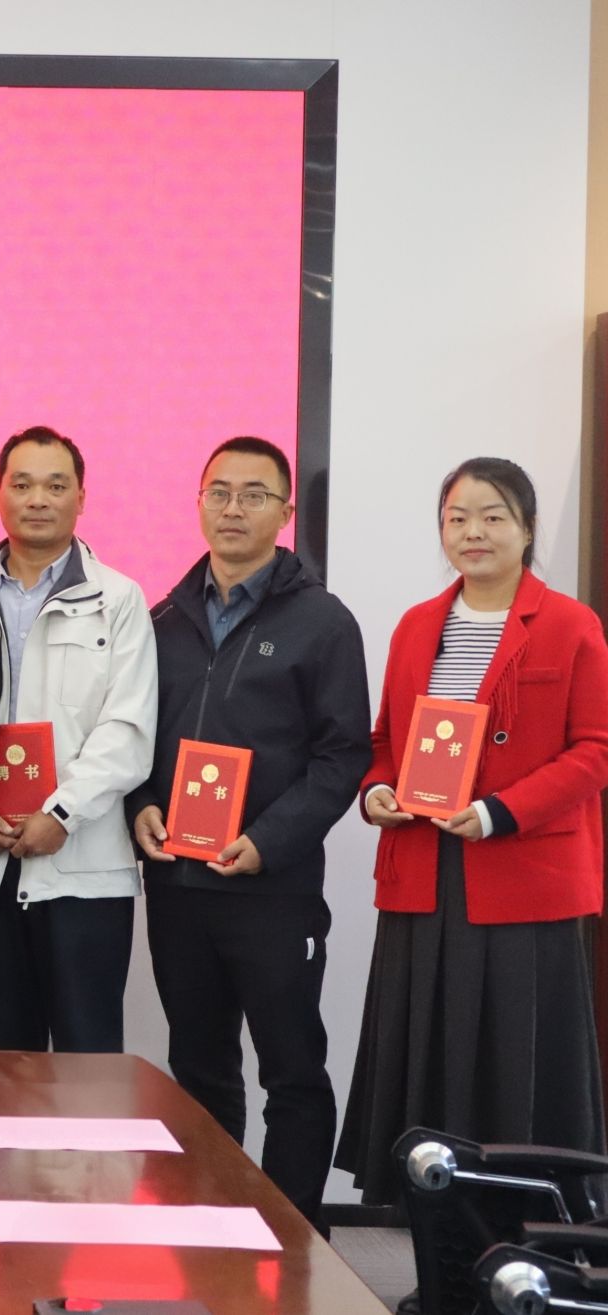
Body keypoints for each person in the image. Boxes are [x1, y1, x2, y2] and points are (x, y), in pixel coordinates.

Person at [337, 457, 608, 1206]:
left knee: (513, 1061)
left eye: (493, 517)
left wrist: (499, 811)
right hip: (424, 872)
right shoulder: (418, 624)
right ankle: (432, 1221)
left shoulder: (571, 624)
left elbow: (595, 750)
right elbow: (384, 740)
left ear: (527, 529)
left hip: (522, 877)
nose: (473, 532)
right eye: (457, 518)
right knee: (429, 1049)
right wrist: (377, 790)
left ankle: (525, 1221)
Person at [127, 436, 369, 1227]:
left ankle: (295, 1237)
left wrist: (268, 839)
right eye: (220, 492)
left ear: (285, 511)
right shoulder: (162, 618)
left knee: (291, 1069)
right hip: (178, 886)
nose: (234, 508)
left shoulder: (323, 622)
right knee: (199, 1067)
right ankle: (211, 1227)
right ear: (199, 502)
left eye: (254, 494)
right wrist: (141, 805)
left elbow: (342, 756)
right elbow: (135, 737)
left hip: (273, 888)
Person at [0, 426, 155, 1053]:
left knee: (88, 1063)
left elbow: (127, 728)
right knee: (8, 1058)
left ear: (81, 498)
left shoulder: (118, 599)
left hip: (83, 867)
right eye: (22, 484)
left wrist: (62, 812)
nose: (38, 499)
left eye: (56, 485)